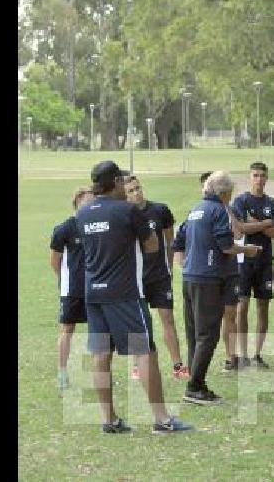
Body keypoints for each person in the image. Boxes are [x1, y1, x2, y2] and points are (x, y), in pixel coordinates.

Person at [76, 160, 192, 433]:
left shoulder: (82, 214)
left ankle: (109, 420)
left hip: (94, 294)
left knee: (101, 354)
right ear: (116, 182)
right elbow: (152, 246)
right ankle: (162, 419)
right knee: (144, 352)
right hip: (125, 295)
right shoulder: (127, 211)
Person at [180, 171, 260, 404]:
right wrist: (248, 250)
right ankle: (194, 387)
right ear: (224, 193)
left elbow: (182, 239)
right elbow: (226, 247)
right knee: (208, 334)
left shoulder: (195, 208)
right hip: (208, 278)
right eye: (230, 192)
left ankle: (196, 383)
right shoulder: (219, 211)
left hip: (190, 277)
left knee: (195, 334)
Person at [124, 176, 188, 381]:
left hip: (160, 277)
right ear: (124, 195)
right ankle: (137, 365)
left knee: (168, 319)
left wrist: (168, 268)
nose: (136, 193)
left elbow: (170, 242)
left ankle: (178, 365)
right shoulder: (124, 216)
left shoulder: (160, 210)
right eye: (131, 191)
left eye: (138, 188)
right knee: (138, 323)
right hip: (136, 278)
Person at [230, 162, 274, 369]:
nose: (259, 179)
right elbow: (241, 229)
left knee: (263, 307)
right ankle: (242, 354)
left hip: (265, 261)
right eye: (255, 175)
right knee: (242, 307)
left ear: (266, 178)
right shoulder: (240, 201)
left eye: (262, 175)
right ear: (249, 177)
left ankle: (257, 354)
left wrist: (256, 223)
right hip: (244, 262)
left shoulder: (273, 204)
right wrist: (266, 223)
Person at [51, 187, 95, 390]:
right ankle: (62, 372)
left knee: (97, 330)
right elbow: (55, 260)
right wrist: (64, 281)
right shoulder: (64, 229)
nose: (91, 205)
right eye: (86, 202)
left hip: (95, 287)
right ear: (77, 204)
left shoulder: (97, 227)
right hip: (71, 290)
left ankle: (99, 373)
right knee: (67, 329)